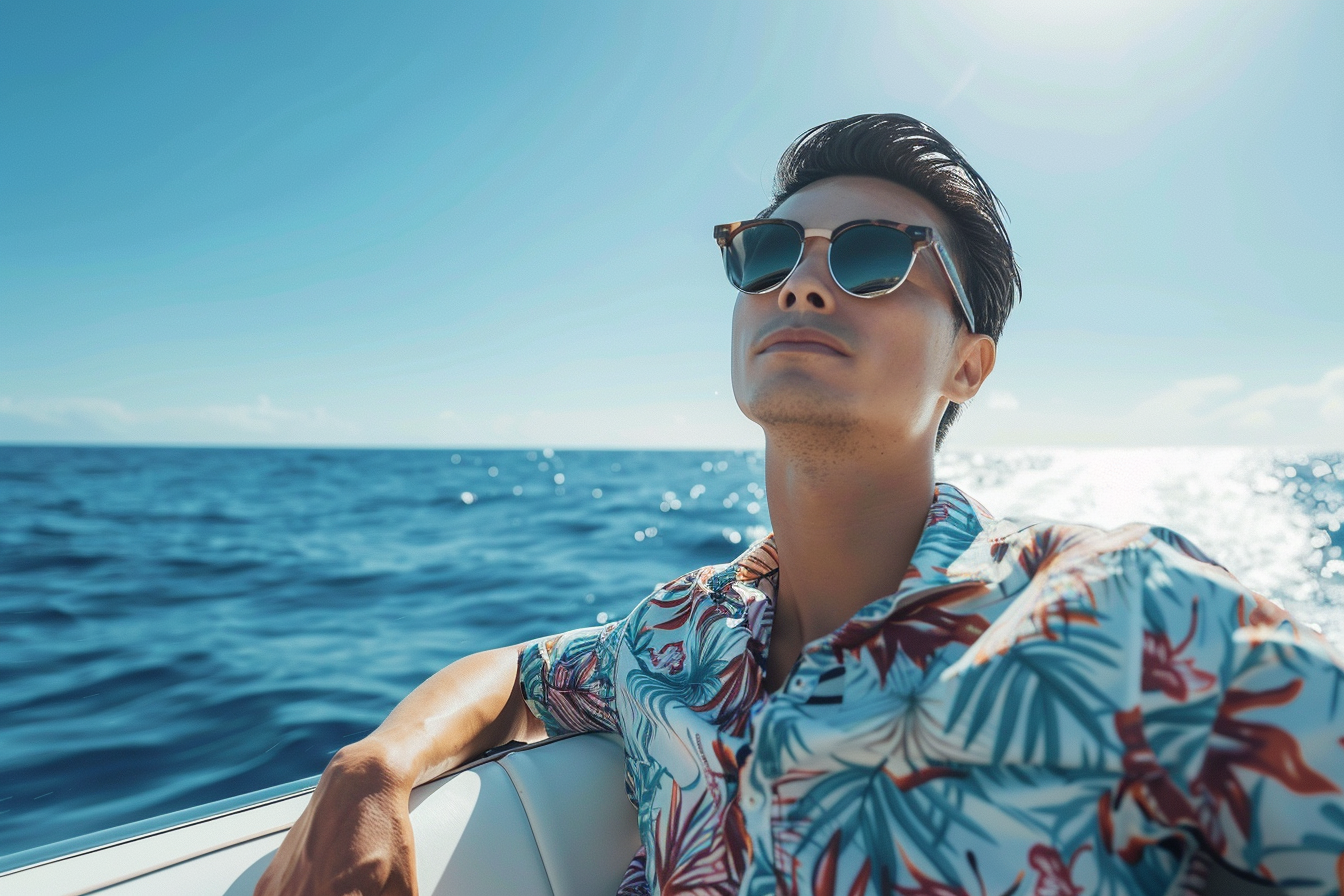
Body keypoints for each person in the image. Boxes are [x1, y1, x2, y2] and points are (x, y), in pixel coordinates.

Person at [255, 114, 1344, 896]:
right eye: (767, 251)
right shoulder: (673, 637)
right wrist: (374, 763)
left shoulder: (1124, 609)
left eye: (874, 256)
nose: (798, 283)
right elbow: (518, 677)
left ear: (969, 366)